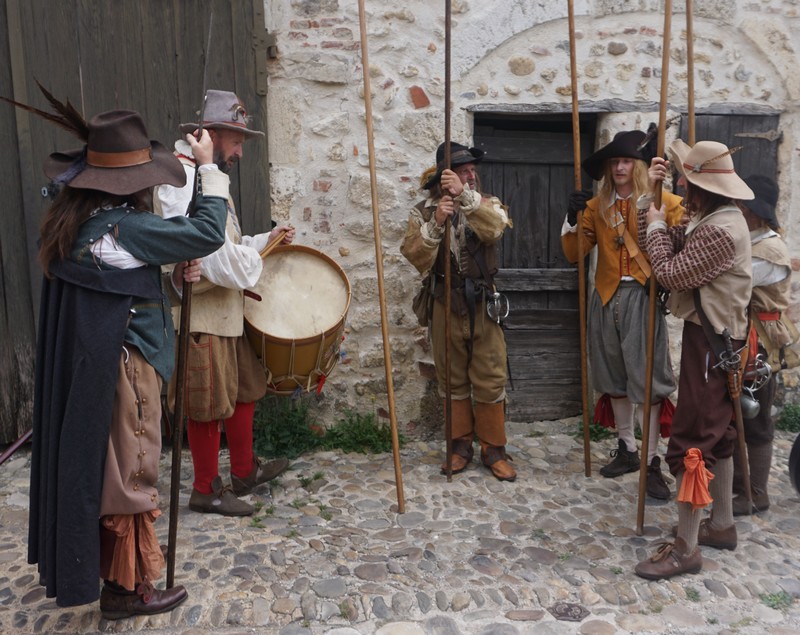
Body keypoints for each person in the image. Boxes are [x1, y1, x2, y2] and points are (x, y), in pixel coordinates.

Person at [28, 109, 230, 617]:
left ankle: (121, 582)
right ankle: (129, 590)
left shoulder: (76, 224)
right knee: (133, 473)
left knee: (112, 472)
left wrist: (169, 283)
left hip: (97, 365)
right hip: (127, 367)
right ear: (130, 183)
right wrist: (208, 168)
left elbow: (116, 287)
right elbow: (208, 232)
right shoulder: (128, 227)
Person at [155, 89, 294, 517]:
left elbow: (227, 241)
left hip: (227, 310)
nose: (239, 151)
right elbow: (203, 251)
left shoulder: (209, 172)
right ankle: (205, 489)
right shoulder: (180, 178)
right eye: (236, 141)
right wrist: (252, 262)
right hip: (201, 313)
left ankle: (244, 472)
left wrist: (260, 242)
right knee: (206, 402)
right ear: (213, 134)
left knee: (246, 387)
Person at [634, 140, 754, 580]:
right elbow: (678, 238)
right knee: (718, 435)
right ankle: (720, 525)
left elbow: (669, 271)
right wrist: (654, 193)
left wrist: (654, 229)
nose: (683, 187)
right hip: (717, 341)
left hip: (713, 345)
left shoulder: (721, 231)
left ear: (705, 186)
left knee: (693, 441)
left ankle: (686, 547)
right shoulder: (717, 219)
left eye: (687, 181)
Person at [561, 129, 684, 499]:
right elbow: (574, 252)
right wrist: (571, 217)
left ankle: (651, 462)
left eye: (626, 160)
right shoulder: (597, 207)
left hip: (642, 298)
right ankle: (627, 448)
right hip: (604, 296)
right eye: (614, 161)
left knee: (645, 382)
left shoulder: (666, 201)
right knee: (613, 377)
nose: (619, 167)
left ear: (640, 165)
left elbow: (681, 241)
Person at [400, 141, 516, 481]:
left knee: (491, 376)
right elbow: (414, 255)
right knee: (451, 378)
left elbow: (494, 229)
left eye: (471, 172)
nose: (471, 176)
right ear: (443, 179)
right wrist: (437, 220)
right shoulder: (422, 213)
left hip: (483, 304)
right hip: (444, 304)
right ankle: (459, 446)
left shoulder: (485, 204)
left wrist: (465, 198)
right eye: (463, 172)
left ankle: (494, 449)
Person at [733, 175, 791, 515]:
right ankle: (740, 488)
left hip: (762, 345)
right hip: (744, 340)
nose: (737, 210)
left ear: (756, 212)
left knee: (755, 419)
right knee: (736, 416)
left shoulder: (769, 250)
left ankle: (756, 493)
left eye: (742, 205)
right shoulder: (751, 241)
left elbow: (735, 281)